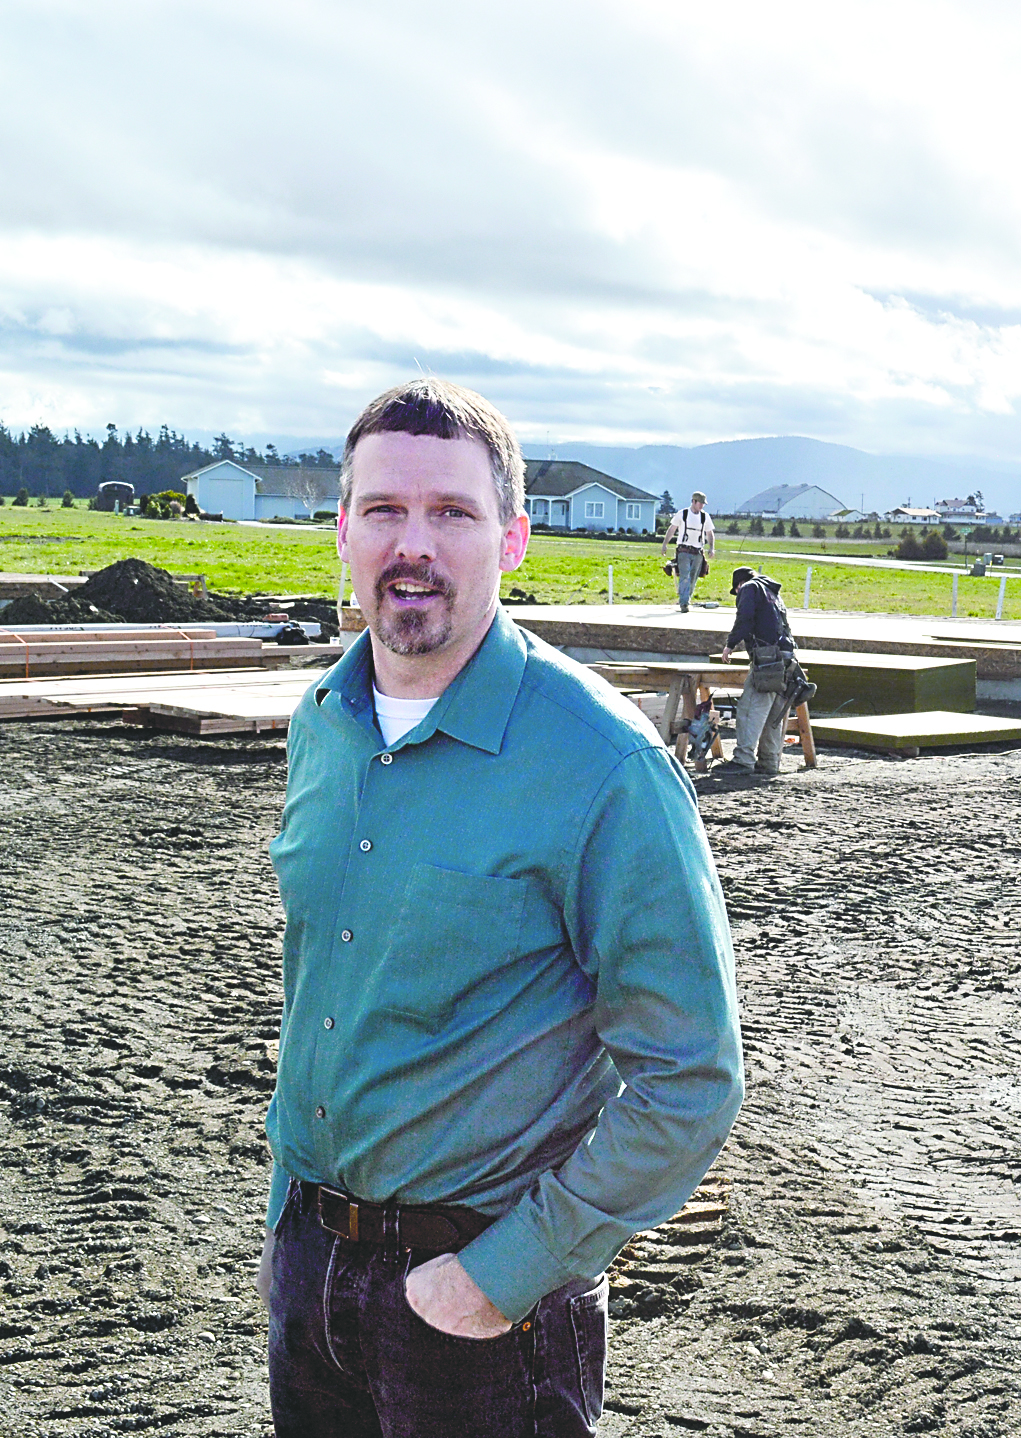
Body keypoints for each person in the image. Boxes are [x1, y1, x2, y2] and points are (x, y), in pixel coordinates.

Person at [259, 378, 744, 1437]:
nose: (412, 544)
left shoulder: (603, 766)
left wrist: (496, 1278)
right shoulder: (322, 725)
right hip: (308, 1272)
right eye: (383, 510)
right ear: (341, 530)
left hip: (480, 1306)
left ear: (513, 539)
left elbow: (691, 1078)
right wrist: (292, 1228)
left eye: (453, 513)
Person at [717, 566, 810, 775]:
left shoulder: (749, 588)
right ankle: (769, 762)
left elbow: (745, 618)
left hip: (767, 660)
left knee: (750, 709)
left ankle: (743, 760)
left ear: (738, 585)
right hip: (787, 659)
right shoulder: (772, 592)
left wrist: (730, 644)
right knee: (773, 716)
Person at [661, 493, 715, 612]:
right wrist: (665, 544)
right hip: (683, 551)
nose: (702, 506)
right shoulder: (682, 514)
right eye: (700, 503)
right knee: (684, 576)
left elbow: (709, 533)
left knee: (693, 577)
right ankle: (684, 603)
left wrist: (711, 547)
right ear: (694, 501)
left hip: (698, 552)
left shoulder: (705, 517)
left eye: (703, 504)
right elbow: (672, 529)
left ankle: (686, 599)